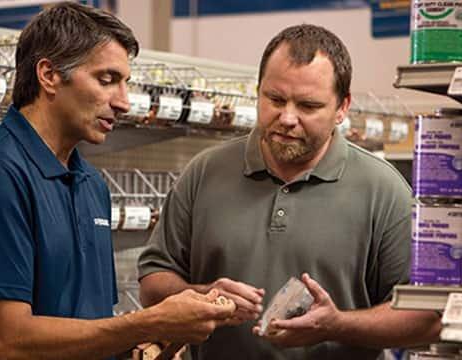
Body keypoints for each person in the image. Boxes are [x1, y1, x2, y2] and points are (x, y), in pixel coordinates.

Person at [0, 2, 235, 359]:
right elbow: (10, 343)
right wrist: (150, 322)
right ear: (49, 75)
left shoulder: (91, 185)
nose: (123, 102)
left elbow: (92, 329)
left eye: (125, 83)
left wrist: (172, 330)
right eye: (107, 80)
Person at [137, 24, 441, 359]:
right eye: (275, 99)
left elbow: (426, 318)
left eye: (308, 106)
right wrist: (203, 294)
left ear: (342, 107)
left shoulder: (384, 190)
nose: (287, 118)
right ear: (258, 91)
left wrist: (336, 324)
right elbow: (153, 282)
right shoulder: (204, 172)